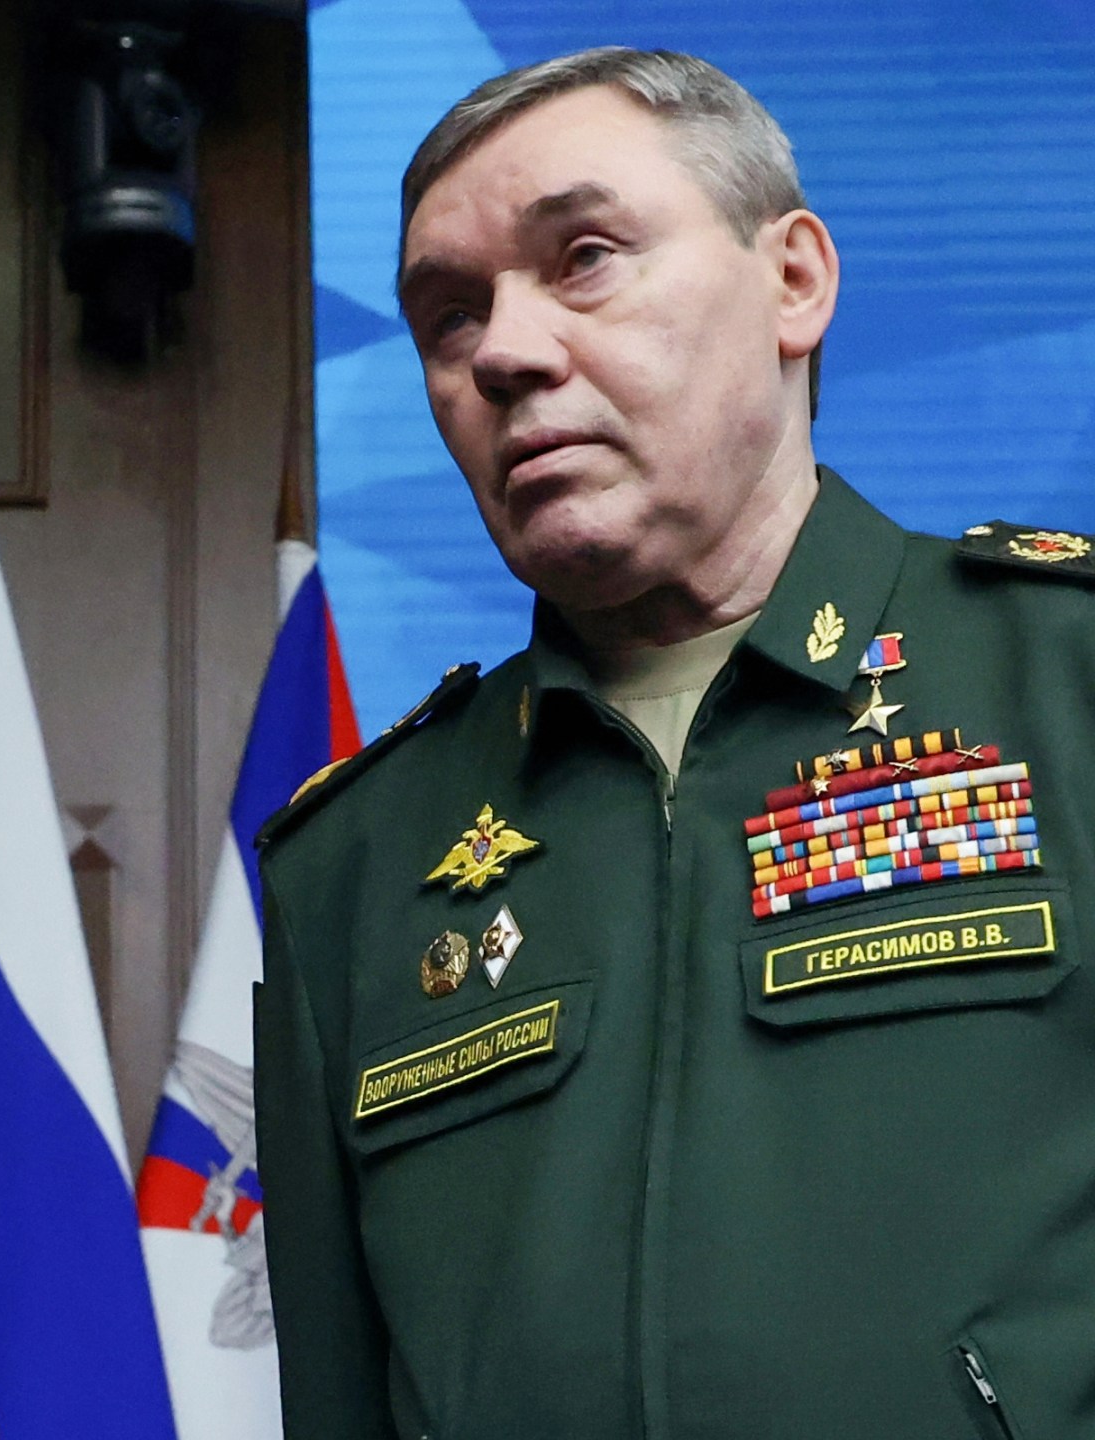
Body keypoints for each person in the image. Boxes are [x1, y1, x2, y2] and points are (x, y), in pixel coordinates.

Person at [256, 47, 1095, 1438]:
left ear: (794, 284)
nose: (505, 353)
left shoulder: (1065, 681)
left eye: (583, 257)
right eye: (448, 317)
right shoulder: (353, 858)